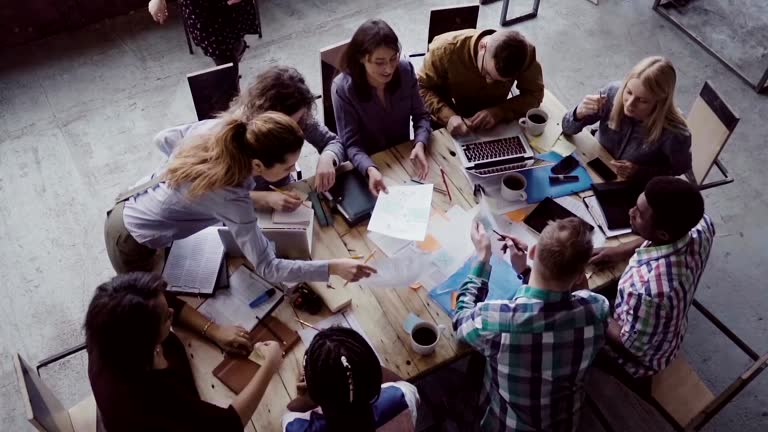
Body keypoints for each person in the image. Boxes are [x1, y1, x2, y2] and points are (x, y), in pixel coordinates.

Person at [105, 111, 374, 285]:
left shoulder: (222, 130)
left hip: (133, 197)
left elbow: (163, 139)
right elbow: (268, 268)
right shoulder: (231, 197)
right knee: (151, 300)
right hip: (132, 240)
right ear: (257, 166)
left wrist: (183, 171)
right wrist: (333, 267)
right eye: (288, 167)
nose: (294, 171)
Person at [453, 218, 609, 431]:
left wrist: (482, 257)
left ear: (533, 251)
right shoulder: (597, 308)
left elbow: (461, 320)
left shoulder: (497, 321)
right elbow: (575, 296)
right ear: (581, 273)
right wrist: (527, 272)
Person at [86, 272, 282, 432]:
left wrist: (214, 331)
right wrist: (269, 366)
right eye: (166, 317)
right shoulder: (147, 398)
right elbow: (227, 425)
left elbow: (164, 301)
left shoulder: (108, 326)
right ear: (144, 342)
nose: (172, 311)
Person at [154, 65, 344, 211]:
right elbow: (217, 193)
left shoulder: (300, 119)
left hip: (284, 196)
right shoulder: (230, 134)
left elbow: (333, 142)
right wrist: (264, 199)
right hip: (243, 208)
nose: (295, 127)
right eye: (288, 122)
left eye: (300, 118)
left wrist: (328, 157)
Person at [590, 176, 714, 378]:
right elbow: (659, 234)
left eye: (638, 214)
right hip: (662, 325)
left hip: (637, 360)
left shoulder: (647, 291)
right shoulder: (702, 226)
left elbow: (629, 346)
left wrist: (588, 301)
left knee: (565, 321)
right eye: (636, 205)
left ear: (663, 234)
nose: (630, 212)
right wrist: (621, 250)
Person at [332, 19, 432, 196]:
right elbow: (351, 144)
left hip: (404, 158)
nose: (388, 69)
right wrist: (369, 168)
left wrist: (420, 142)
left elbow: (421, 116)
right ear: (362, 58)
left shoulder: (405, 69)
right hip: (368, 166)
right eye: (379, 62)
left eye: (393, 58)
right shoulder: (343, 89)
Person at [562, 56, 692, 181]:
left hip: (630, 185)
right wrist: (578, 113)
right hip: (593, 161)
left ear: (660, 103)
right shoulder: (612, 93)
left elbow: (679, 169)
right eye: (629, 92)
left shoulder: (675, 134)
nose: (629, 104)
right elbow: (567, 129)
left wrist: (639, 171)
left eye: (642, 100)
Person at [282, 327, 420, 432]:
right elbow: (405, 385)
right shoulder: (401, 398)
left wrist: (307, 399)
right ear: (372, 372)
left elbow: (290, 412)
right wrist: (359, 362)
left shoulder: (296, 427)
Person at [418, 29, 544, 136]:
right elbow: (420, 87)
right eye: (487, 73)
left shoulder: (525, 54)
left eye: (499, 81)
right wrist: (447, 116)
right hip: (451, 120)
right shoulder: (445, 49)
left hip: (495, 127)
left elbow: (535, 94)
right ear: (482, 46)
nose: (489, 82)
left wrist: (500, 111)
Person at [147, 0, 257, 82]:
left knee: (229, 54)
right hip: (202, 11)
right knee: (223, 54)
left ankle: (232, 84)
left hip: (228, 8)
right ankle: (232, 78)